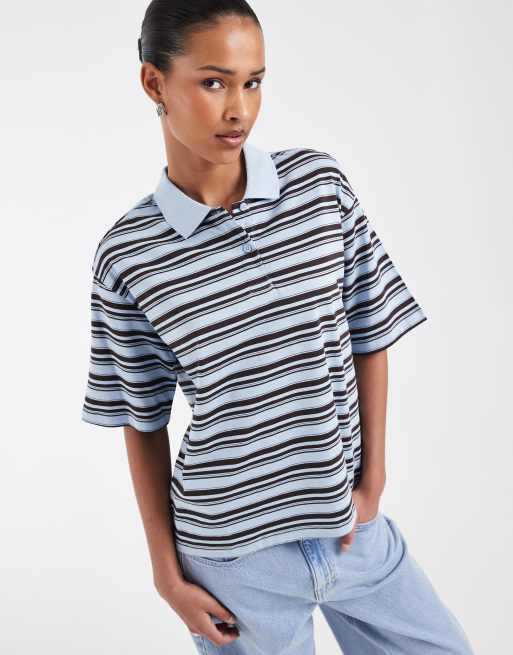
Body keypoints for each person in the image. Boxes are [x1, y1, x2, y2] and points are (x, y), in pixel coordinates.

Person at [81, 1, 475, 653]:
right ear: (154, 82)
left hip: (351, 531)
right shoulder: (129, 255)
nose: (239, 109)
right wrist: (166, 575)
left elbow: (370, 329)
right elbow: (141, 418)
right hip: (233, 562)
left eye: (253, 81)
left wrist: (373, 478)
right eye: (214, 82)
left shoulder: (318, 187)